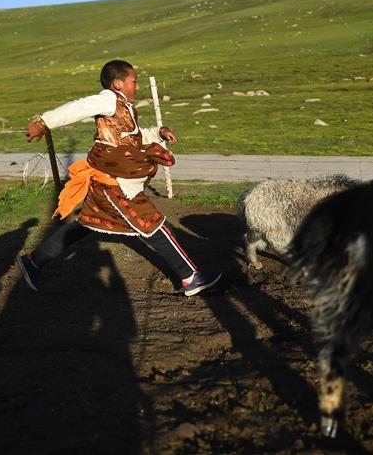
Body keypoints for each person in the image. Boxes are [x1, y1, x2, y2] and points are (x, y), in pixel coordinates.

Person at [17, 59, 221, 296]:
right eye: (133, 81)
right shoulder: (108, 99)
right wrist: (43, 122)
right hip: (114, 185)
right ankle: (190, 277)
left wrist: (158, 132)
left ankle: (33, 262)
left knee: (87, 224)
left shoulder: (124, 106)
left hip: (108, 183)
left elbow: (132, 138)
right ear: (117, 83)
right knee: (153, 224)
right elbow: (78, 107)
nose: (137, 86)